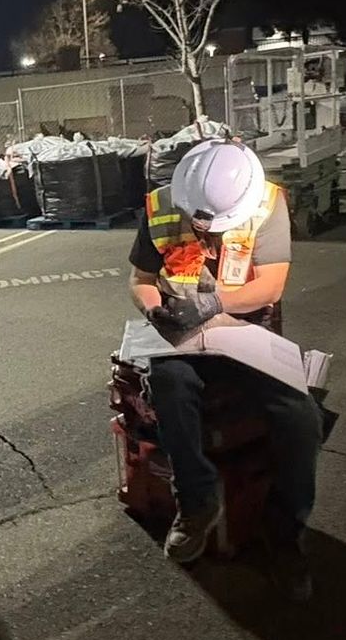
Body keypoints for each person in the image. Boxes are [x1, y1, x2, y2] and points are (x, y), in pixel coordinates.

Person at [130, 139, 324, 596]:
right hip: (183, 336)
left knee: (301, 418)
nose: (205, 229)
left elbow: (272, 285)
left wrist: (216, 302)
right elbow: (139, 280)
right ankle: (196, 503)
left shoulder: (267, 201)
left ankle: (285, 530)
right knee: (169, 386)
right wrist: (155, 310)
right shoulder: (160, 205)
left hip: (247, 335)